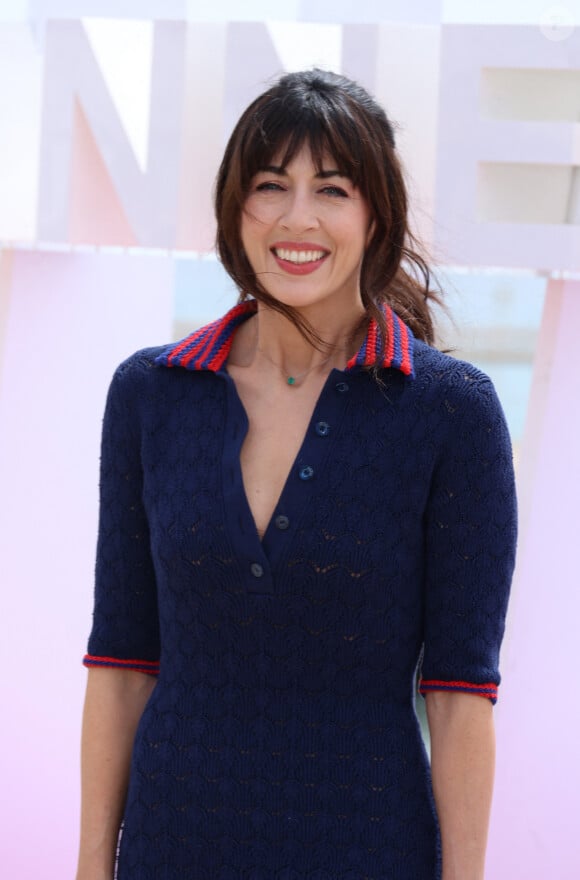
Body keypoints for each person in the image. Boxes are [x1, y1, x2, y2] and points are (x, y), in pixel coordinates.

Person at [76, 69, 517, 880]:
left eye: (333, 188)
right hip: (173, 848)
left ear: (375, 212)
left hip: (368, 850)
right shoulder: (149, 394)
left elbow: (459, 695)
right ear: (232, 208)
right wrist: (89, 867)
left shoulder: (452, 414)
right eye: (270, 185)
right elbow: (121, 663)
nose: (296, 218)